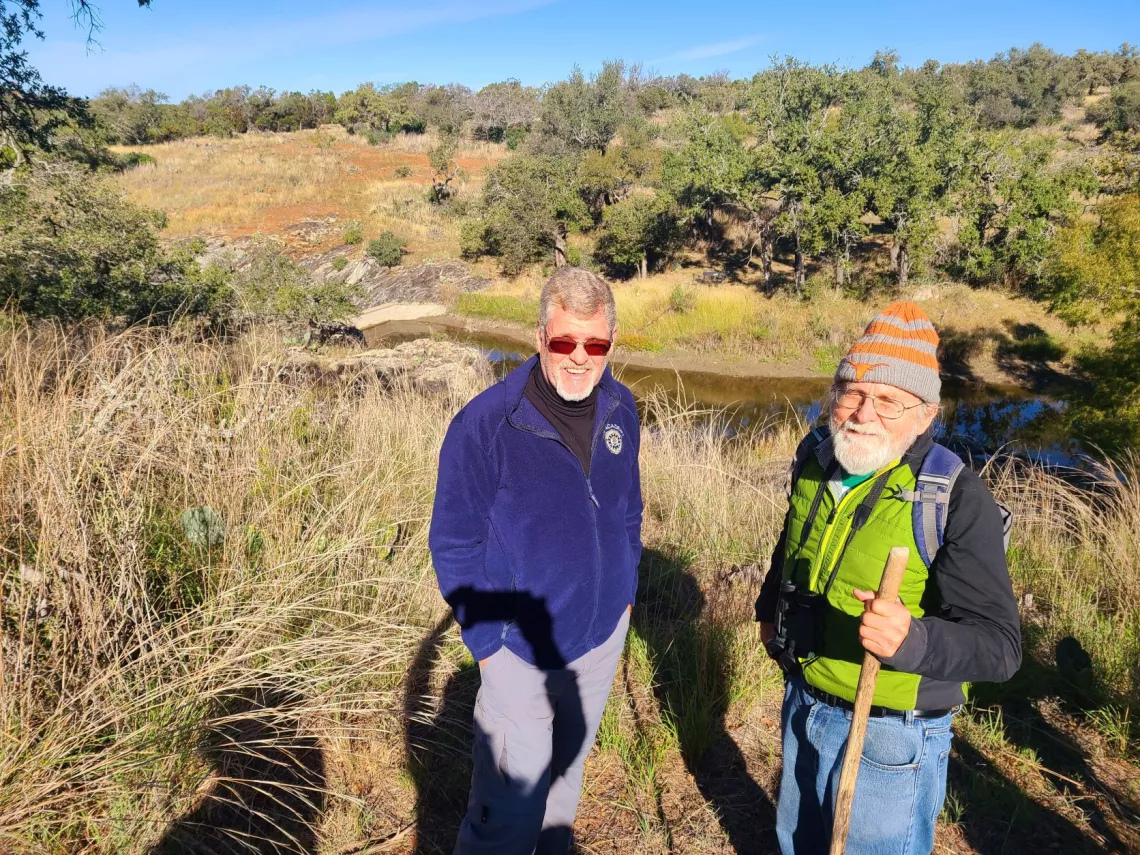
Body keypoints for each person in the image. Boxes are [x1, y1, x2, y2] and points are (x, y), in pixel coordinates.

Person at [756, 301, 1022, 855]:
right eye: (852, 391)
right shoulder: (819, 456)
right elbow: (794, 541)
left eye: (888, 400)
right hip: (803, 699)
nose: (862, 413)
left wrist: (913, 638)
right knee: (795, 844)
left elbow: (1001, 648)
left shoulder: (951, 497)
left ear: (926, 414)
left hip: (889, 731)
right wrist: (768, 610)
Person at [429, 267, 642, 855]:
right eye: (564, 342)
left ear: (611, 344)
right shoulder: (486, 424)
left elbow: (627, 509)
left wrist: (626, 589)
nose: (579, 358)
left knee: (562, 792)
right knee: (507, 817)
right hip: (520, 655)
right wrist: (489, 647)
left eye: (595, 344)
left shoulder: (621, 407)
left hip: (601, 639)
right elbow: (453, 542)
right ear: (540, 337)